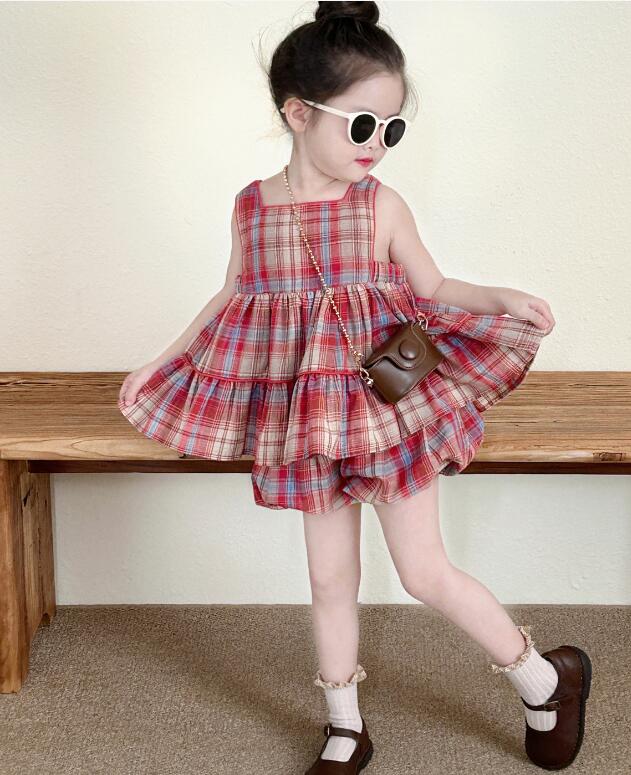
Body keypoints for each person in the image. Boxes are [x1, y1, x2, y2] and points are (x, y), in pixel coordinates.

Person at [117, 2, 591, 772]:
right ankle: (345, 725)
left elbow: (434, 286)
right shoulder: (251, 208)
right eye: (363, 125)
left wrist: (498, 297)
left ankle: (545, 678)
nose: (378, 145)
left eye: (392, 129)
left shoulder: (380, 205)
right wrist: (162, 362)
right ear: (298, 113)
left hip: (389, 404)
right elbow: (231, 294)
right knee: (328, 575)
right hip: (308, 417)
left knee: (423, 570)